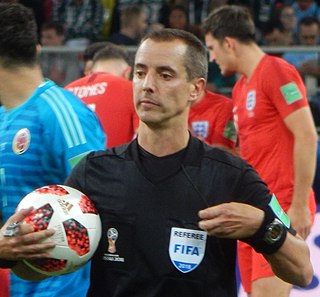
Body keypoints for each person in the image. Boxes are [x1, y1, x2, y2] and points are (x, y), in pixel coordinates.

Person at [1, 28, 314, 297]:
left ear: (196, 89)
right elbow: (37, 271)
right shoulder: (93, 172)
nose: (147, 84)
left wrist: (262, 227)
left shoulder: (232, 176)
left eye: (165, 75)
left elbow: (302, 269)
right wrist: (13, 250)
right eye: (140, 72)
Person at [203, 5, 318, 297]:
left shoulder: (276, 70)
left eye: (212, 48)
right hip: (255, 206)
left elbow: (307, 134)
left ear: (228, 42)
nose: (212, 58)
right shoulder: (241, 89)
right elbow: (255, 154)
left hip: (283, 205)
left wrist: (301, 203)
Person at [0, 3, 106, 297]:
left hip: (66, 289)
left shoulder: (62, 113)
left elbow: (102, 198)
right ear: (36, 49)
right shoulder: (2, 118)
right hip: (19, 287)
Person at [65, 44, 138, 148]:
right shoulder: (130, 89)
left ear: (90, 71)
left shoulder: (66, 91)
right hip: (112, 161)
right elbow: (147, 138)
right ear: (128, 72)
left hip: (69, 162)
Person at [188, 88, 237, 153]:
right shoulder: (173, 109)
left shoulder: (224, 106)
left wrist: (189, 137)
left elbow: (224, 152)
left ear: (198, 84)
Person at [40, 21, 82, 86]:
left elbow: (72, 83)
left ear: (61, 37)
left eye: (49, 37)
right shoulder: (40, 55)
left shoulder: (70, 55)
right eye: (43, 37)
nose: (44, 41)